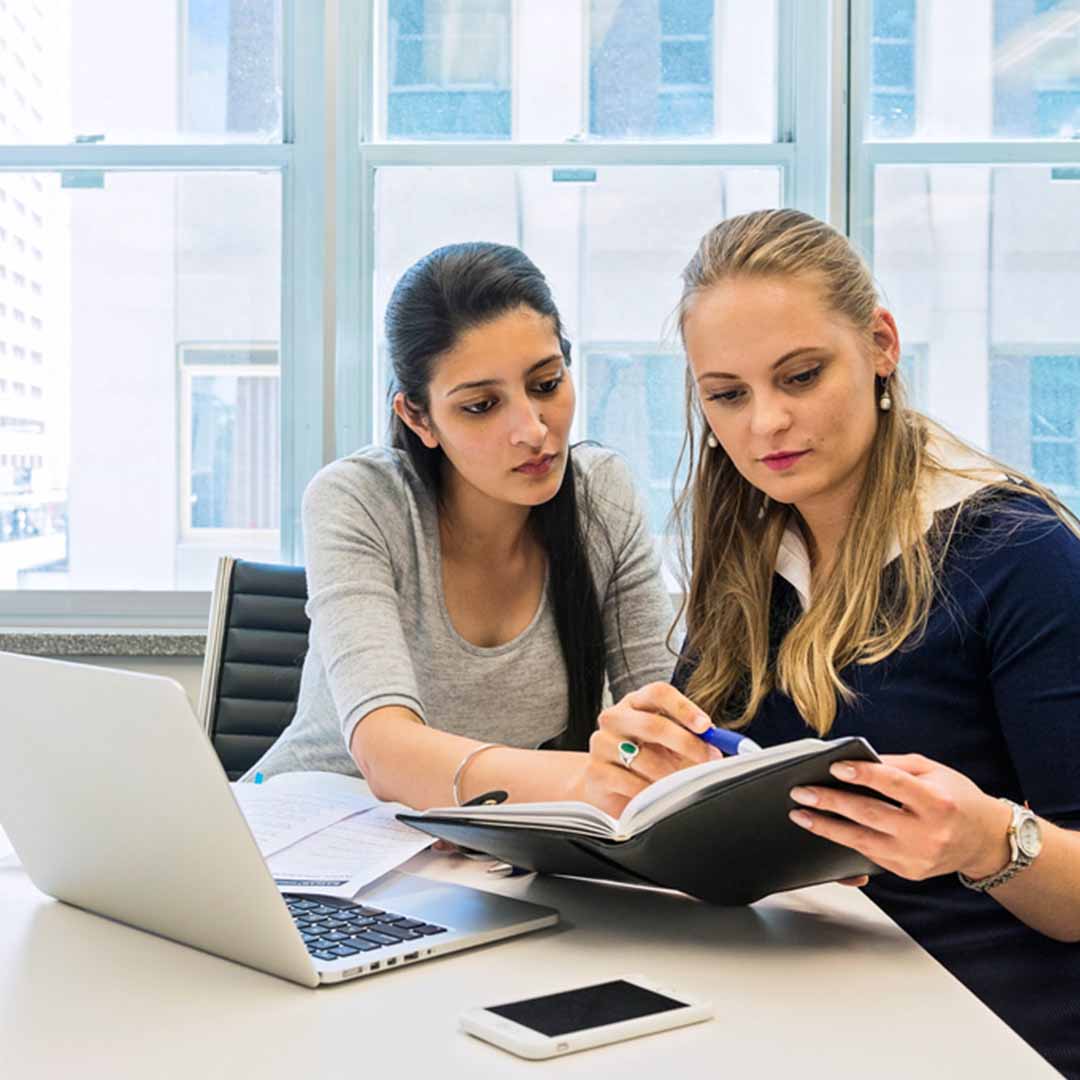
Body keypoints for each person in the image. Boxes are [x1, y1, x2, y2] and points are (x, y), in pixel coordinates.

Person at [587, 210, 1080, 1077]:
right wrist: (648, 765)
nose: (766, 424)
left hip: (982, 1024)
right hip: (787, 1001)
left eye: (801, 376)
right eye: (727, 395)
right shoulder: (749, 542)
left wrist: (987, 842)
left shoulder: (1019, 554)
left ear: (881, 344)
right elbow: (722, 795)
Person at [244, 242, 697, 810]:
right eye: (482, 406)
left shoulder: (601, 495)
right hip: (312, 826)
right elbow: (385, 752)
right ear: (418, 416)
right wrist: (590, 780)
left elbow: (662, 716)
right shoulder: (360, 500)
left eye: (547, 384)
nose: (532, 430)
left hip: (476, 845)